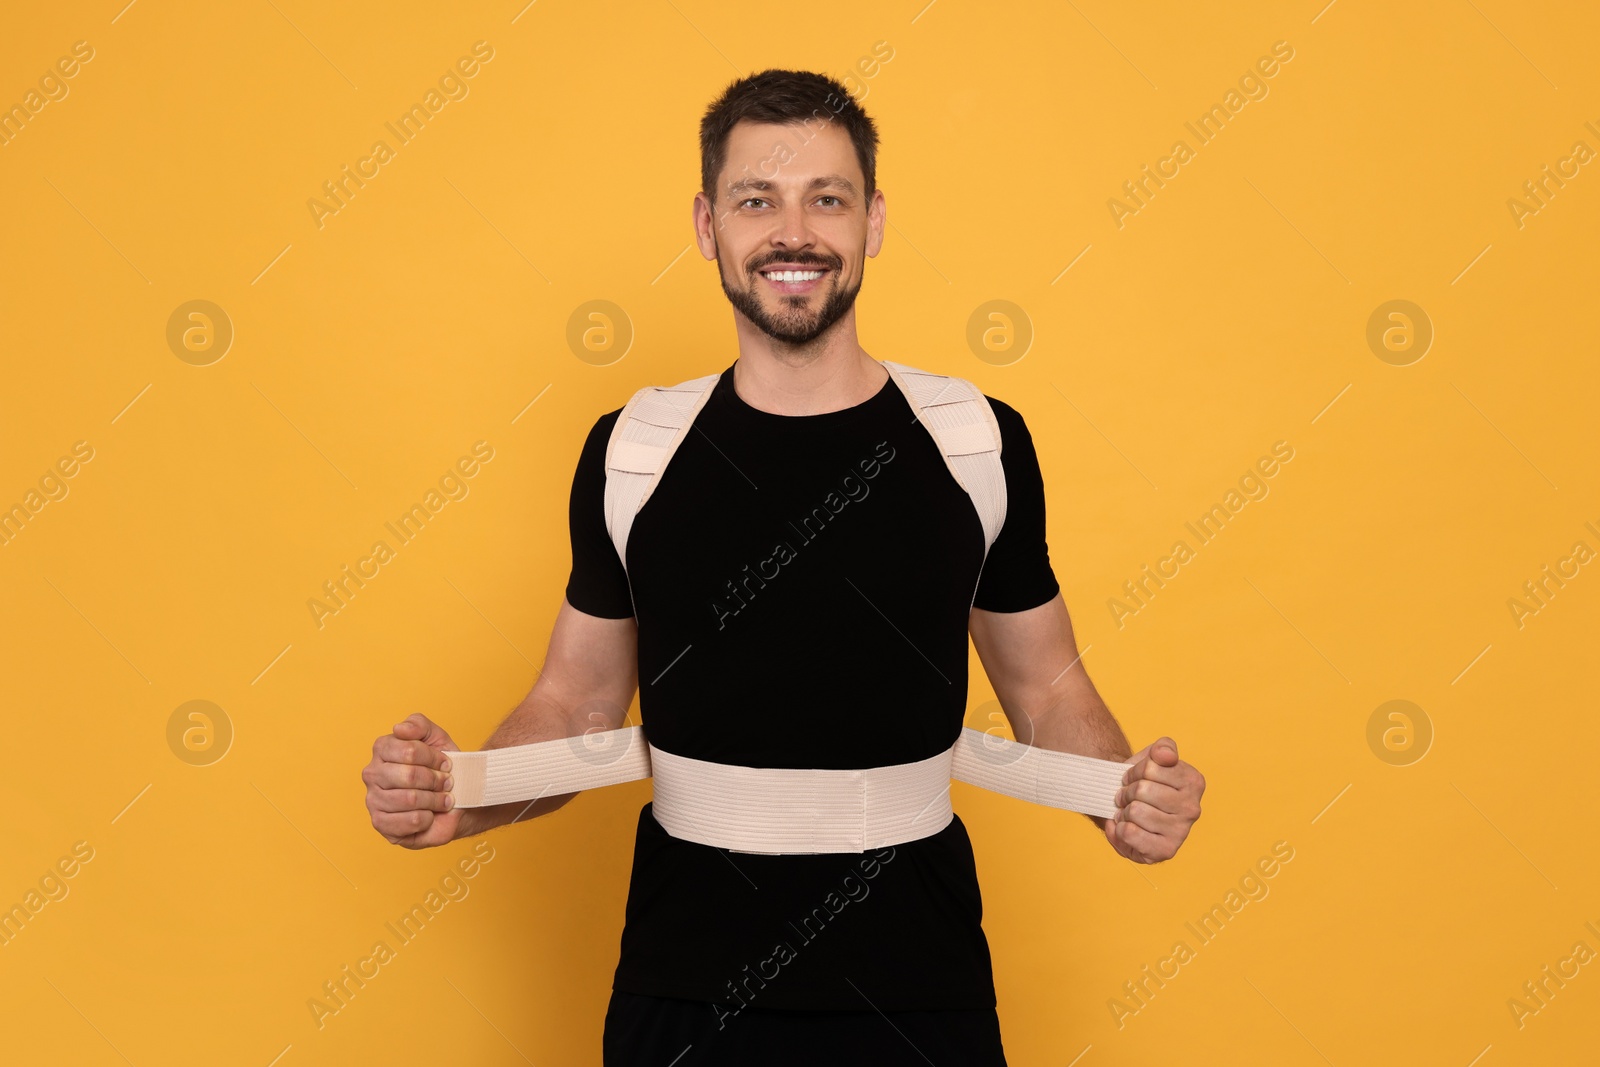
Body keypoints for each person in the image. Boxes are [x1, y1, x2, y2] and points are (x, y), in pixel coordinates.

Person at [362, 68, 1205, 1066]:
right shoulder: (634, 449)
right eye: (756, 199)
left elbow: (1045, 682)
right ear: (707, 224)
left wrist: (1122, 796)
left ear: (874, 221)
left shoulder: (975, 442)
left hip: (918, 990)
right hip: (684, 994)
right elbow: (578, 704)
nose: (791, 232)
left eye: (827, 198)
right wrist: (464, 791)